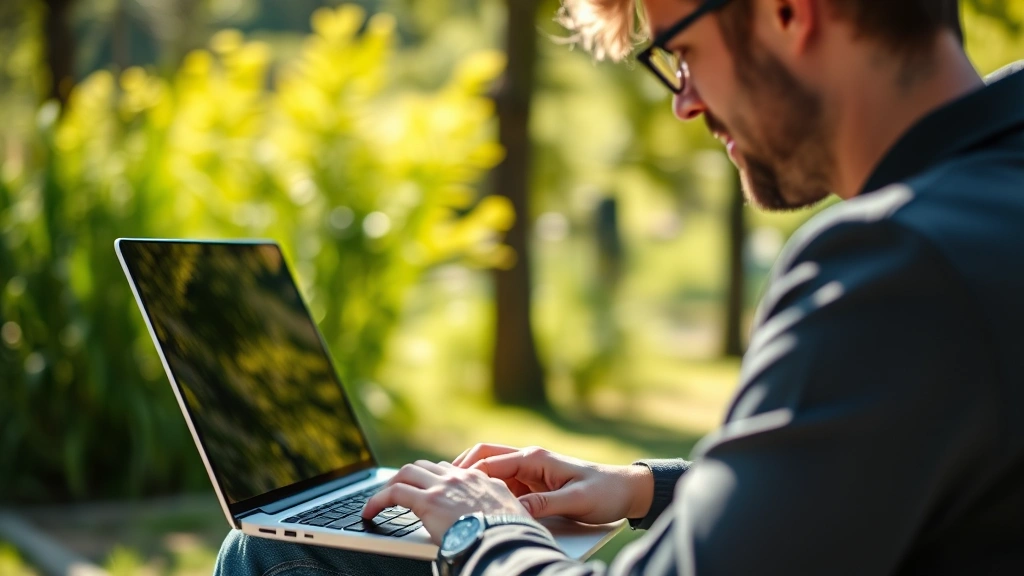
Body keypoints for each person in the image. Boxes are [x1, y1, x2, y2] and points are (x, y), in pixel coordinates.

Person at [215, 0, 1024, 574]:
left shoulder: (899, 266)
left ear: (788, 11)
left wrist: (480, 530)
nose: (684, 103)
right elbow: (894, 476)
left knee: (272, 555)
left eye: (682, 51)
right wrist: (643, 488)